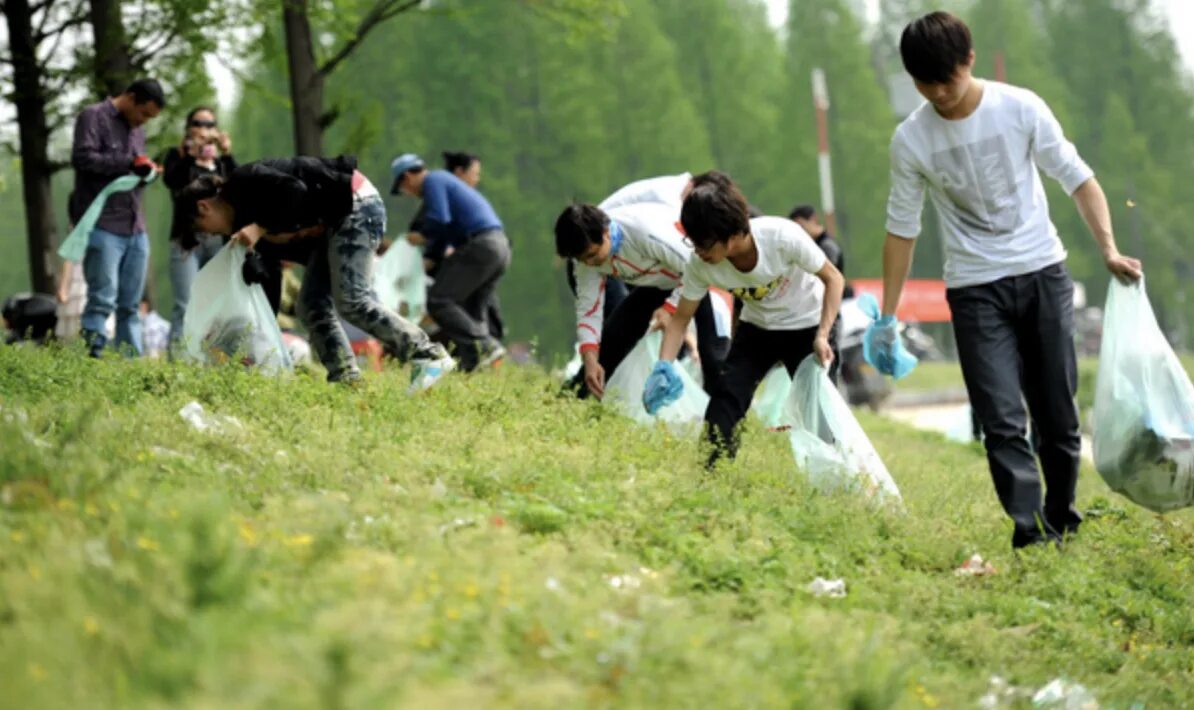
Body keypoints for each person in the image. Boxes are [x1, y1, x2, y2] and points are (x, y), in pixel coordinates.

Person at [877, 12, 1142, 548]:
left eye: (945, 80)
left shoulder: (1019, 107)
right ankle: (1029, 529)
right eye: (924, 85)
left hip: (1042, 272)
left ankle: (1061, 514)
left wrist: (1108, 248)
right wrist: (887, 313)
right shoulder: (911, 140)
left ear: (968, 61)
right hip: (975, 288)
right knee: (999, 416)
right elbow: (901, 229)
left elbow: (1079, 179)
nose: (938, 95)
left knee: (1058, 414)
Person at [177, 155, 454, 389]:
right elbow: (271, 280)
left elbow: (294, 190)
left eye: (204, 230)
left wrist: (260, 227)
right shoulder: (242, 235)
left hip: (355, 204)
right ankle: (347, 380)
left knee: (352, 300)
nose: (211, 236)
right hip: (332, 229)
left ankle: (428, 355)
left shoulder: (243, 183)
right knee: (310, 305)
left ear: (203, 207)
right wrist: (263, 334)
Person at [647, 173, 844, 467]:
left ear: (731, 233)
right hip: (758, 330)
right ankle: (712, 472)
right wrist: (663, 365)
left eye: (704, 243)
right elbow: (679, 320)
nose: (698, 252)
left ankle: (837, 478)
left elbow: (833, 278)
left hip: (808, 324)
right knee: (726, 397)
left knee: (819, 411)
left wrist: (822, 333)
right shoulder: (701, 264)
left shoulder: (781, 237)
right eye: (694, 244)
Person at [554, 199, 730, 399]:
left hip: (694, 281)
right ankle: (571, 401)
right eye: (583, 259)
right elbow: (589, 309)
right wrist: (590, 358)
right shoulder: (585, 261)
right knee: (612, 338)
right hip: (655, 285)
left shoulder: (645, 232)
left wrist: (670, 308)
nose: (590, 263)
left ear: (605, 232)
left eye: (593, 255)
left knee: (713, 357)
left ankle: (719, 423)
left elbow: (697, 269)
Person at [70, 78, 166, 357]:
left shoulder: (137, 132)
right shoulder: (93, 117)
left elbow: (132, 171)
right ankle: (93, 357)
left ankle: (129, 362)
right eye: (143, 113)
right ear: (130, 97)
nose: (143, 121)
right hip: (103, 223)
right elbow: (83, 158)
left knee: (131, 302)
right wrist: (127, 163)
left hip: (135, 225)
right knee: (102, 297)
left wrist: (146, 172)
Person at [391, 153, 511, 371]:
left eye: (403, 189)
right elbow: (445, 231)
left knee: (439, 300)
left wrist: (421, 237)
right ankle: (472, 366)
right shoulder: (444, 182)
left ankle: (485, 345)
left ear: (407, 177)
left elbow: (438, 219)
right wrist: (430, 259)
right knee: (472, 310)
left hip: (481, 245)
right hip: (498, 246)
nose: (409, 194)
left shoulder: (433, 181)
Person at [162, 106, 237, 347]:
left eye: (210, 124)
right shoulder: (178, 156)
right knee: (185, 302)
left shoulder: (221, 163)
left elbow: (239, 188)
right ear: (188, 127)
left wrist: (226, 154)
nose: (204, 129)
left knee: (216, 303)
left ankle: (212, 358)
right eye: (199, 123)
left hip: (218, 241)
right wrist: (189, 156)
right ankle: (179, 360)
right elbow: (172, 183)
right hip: (187, 240)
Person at [790, 204, 849, 383]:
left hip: (826, 316)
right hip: (810, 315)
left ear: (813, 221)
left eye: (800, 226)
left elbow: (823, 281)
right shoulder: (811, 247)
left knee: (826, 373)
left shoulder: (827, 247)